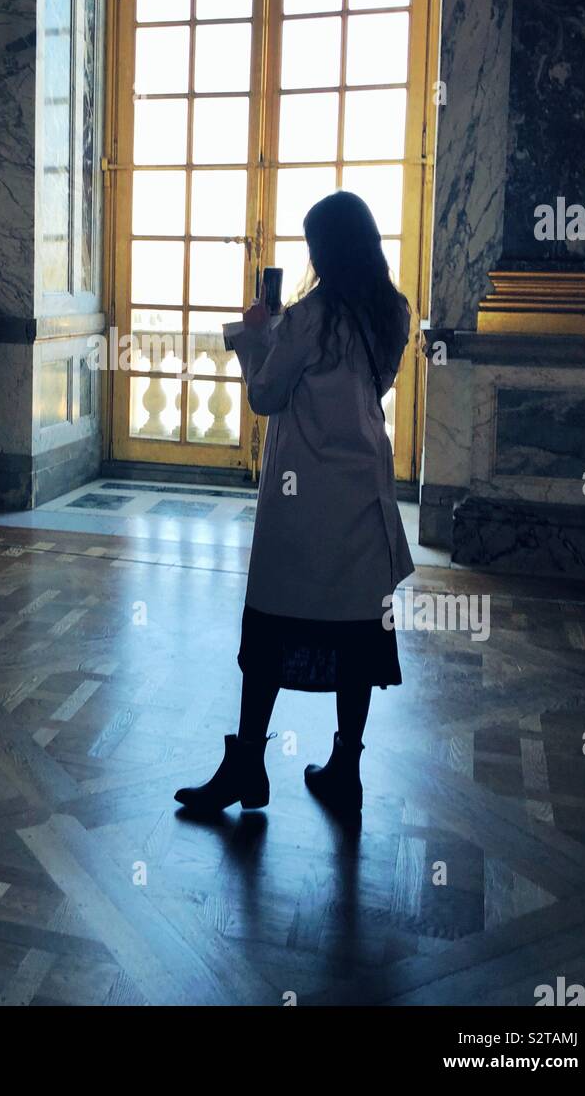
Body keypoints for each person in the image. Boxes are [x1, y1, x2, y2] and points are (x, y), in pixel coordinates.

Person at [175, 191, 414, 816]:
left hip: (303, 495)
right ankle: (345, 766)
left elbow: (265, 396)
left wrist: (256, 336)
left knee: (271, 628)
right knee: (358, 634)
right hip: (363, 491)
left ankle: (248, 763)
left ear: (325, 249)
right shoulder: (394, 312)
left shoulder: (310, 317)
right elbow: (377, 383)